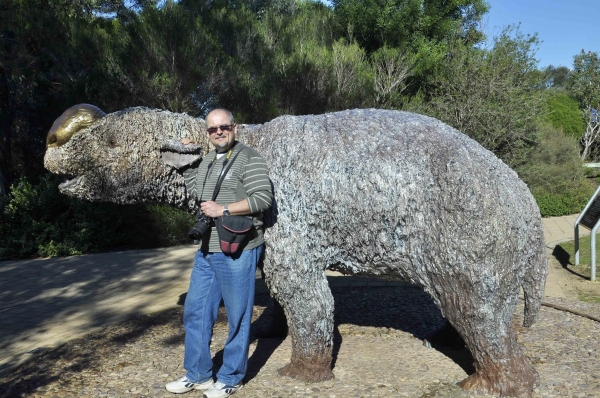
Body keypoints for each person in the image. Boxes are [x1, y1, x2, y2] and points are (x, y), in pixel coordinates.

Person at [166, 108, 273, 398]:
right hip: (207, 249)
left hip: (238, 249)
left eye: (223, 127)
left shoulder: (249, 158)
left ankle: (231, 377)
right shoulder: (208, 161)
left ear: (234, 128)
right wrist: (186, 160)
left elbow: (262, 198)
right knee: (196, 312)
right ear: (208, 133)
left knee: (237, 315)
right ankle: (198, 374)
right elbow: (199, 195)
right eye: (212, 129)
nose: (219, 133)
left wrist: (223, 209)